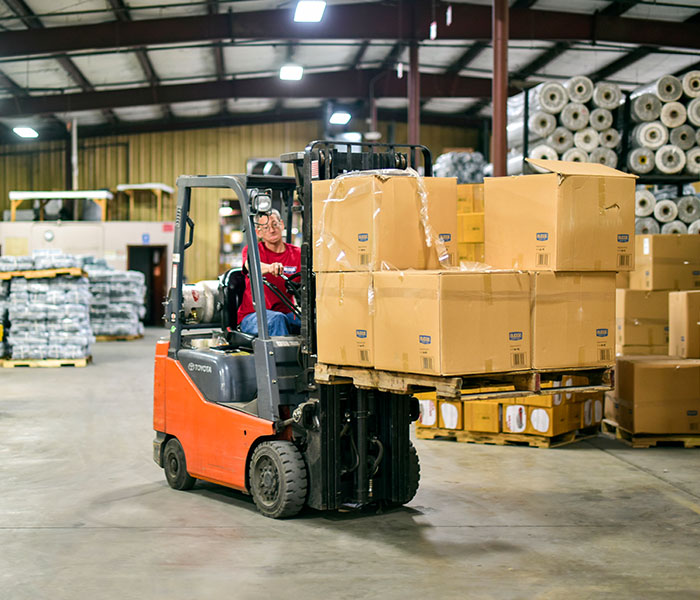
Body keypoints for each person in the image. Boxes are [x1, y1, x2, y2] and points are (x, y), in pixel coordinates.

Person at [237, 208, 301, 336]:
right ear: (258, 233)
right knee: (277, 320)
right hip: (253, 316)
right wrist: (270, 268)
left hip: (286, 313)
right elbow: (251, 266)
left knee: (310, 321)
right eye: (266, 228)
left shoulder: (297, 254)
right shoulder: (253, 250)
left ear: (281, 225)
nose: (272, 230)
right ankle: (282, 357)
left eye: (275, 225)